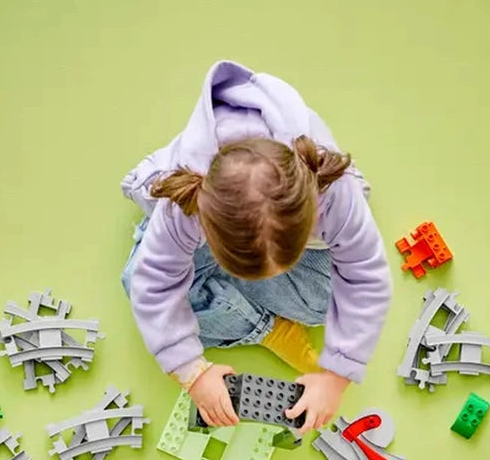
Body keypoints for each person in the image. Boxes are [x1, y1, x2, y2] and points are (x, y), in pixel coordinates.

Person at [120, 60, 392, 434]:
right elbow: (153, 284)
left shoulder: (334, 191)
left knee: (323, 305)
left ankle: (230, 297)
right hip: (195, 222)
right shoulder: (186, 203)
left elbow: (366, 276)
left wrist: (337, 375)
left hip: (298, 225)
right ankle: (266, 328)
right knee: (137, 282)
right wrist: (193, 373)